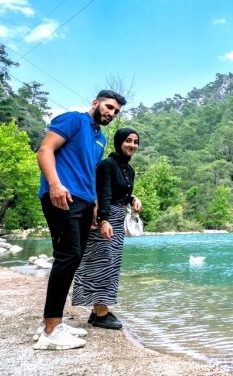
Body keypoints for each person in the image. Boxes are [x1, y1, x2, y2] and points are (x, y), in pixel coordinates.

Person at [33, 90, 126, 350]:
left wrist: (96, 205)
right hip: (63, 197)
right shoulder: (73, 120)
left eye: (116, 111)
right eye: (109, 107)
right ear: (96, 103)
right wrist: (54, 184)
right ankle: (51, 331)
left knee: (71, 258)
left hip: (85, 202)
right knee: (68, 257)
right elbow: (44, 150)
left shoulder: (101, 138)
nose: (111, 113)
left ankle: (51, 323)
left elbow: (90, 172)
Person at [72, 128, 141, 330]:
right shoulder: (106, 165)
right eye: (128, 141)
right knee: (101, 263)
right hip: (105, 217)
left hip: (118, 217)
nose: (132, 145)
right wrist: (104, 219)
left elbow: (121, 194)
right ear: (119, 142)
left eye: (136, 142)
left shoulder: (129, 169)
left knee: (111, 264)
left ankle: (96, 312)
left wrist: (133, 198)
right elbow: (103, 192)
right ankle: (101, 313)